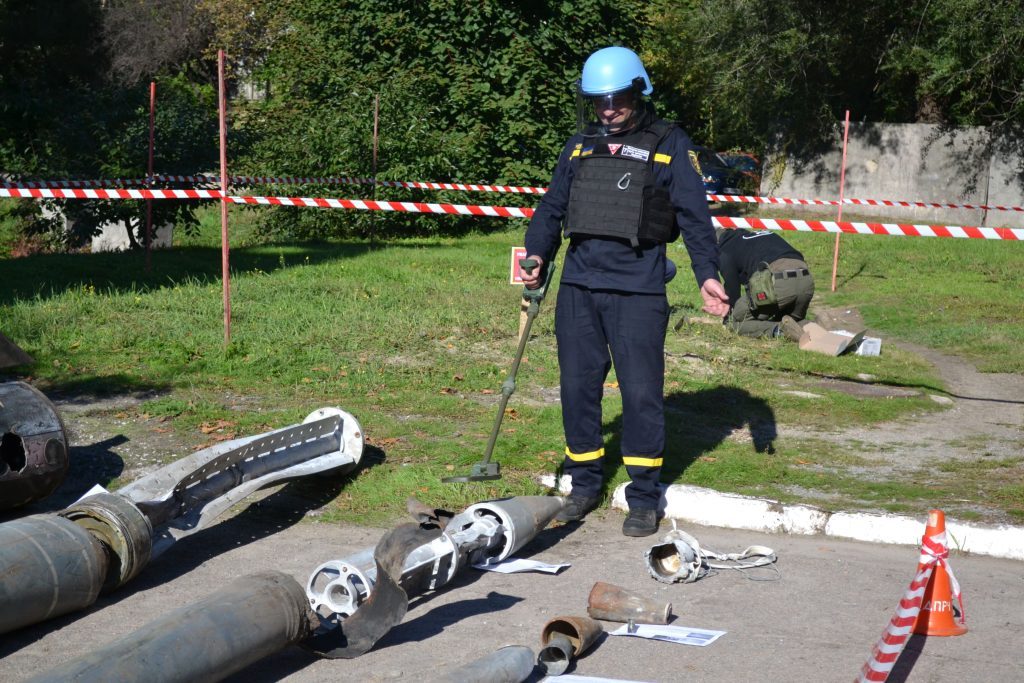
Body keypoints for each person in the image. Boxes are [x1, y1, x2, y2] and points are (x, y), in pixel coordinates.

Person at [522, 46, 729, 537]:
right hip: (578, 285)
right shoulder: (578, 146)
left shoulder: (670, 143)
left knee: (640, 394)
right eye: (598, 100)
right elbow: (551, 209)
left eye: (616, 98)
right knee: (577, 389)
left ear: (638, 93)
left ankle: (643, 495)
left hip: (638, 288)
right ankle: (585, 485)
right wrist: (537, 256)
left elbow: (695, 218)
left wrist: (708, 275)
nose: (607, 108)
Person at [716, 227, 815, 340]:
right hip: (806, 281)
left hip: (779, 282)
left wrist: (728, 318)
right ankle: (815, 327)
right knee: (792, 321)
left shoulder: (725, 249)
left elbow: (732, 289)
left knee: (736, 320)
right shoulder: (754, 237)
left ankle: (779, 331)